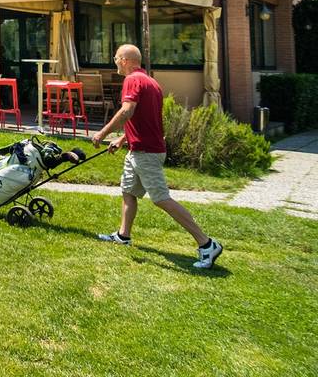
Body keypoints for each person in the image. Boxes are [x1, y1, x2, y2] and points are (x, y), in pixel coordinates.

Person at [91, 44, 223, 270]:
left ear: (124, 60)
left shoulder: (132, 80)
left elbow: (127, 111)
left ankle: (207, 243)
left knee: (161, 198)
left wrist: (103, 133)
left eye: (115, 58)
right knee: (128, 192)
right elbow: (145, 118)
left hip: (147, 152)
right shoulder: (150, 81)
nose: (115, 62)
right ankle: (124, 235)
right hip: (139, 149)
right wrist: (122, 139)